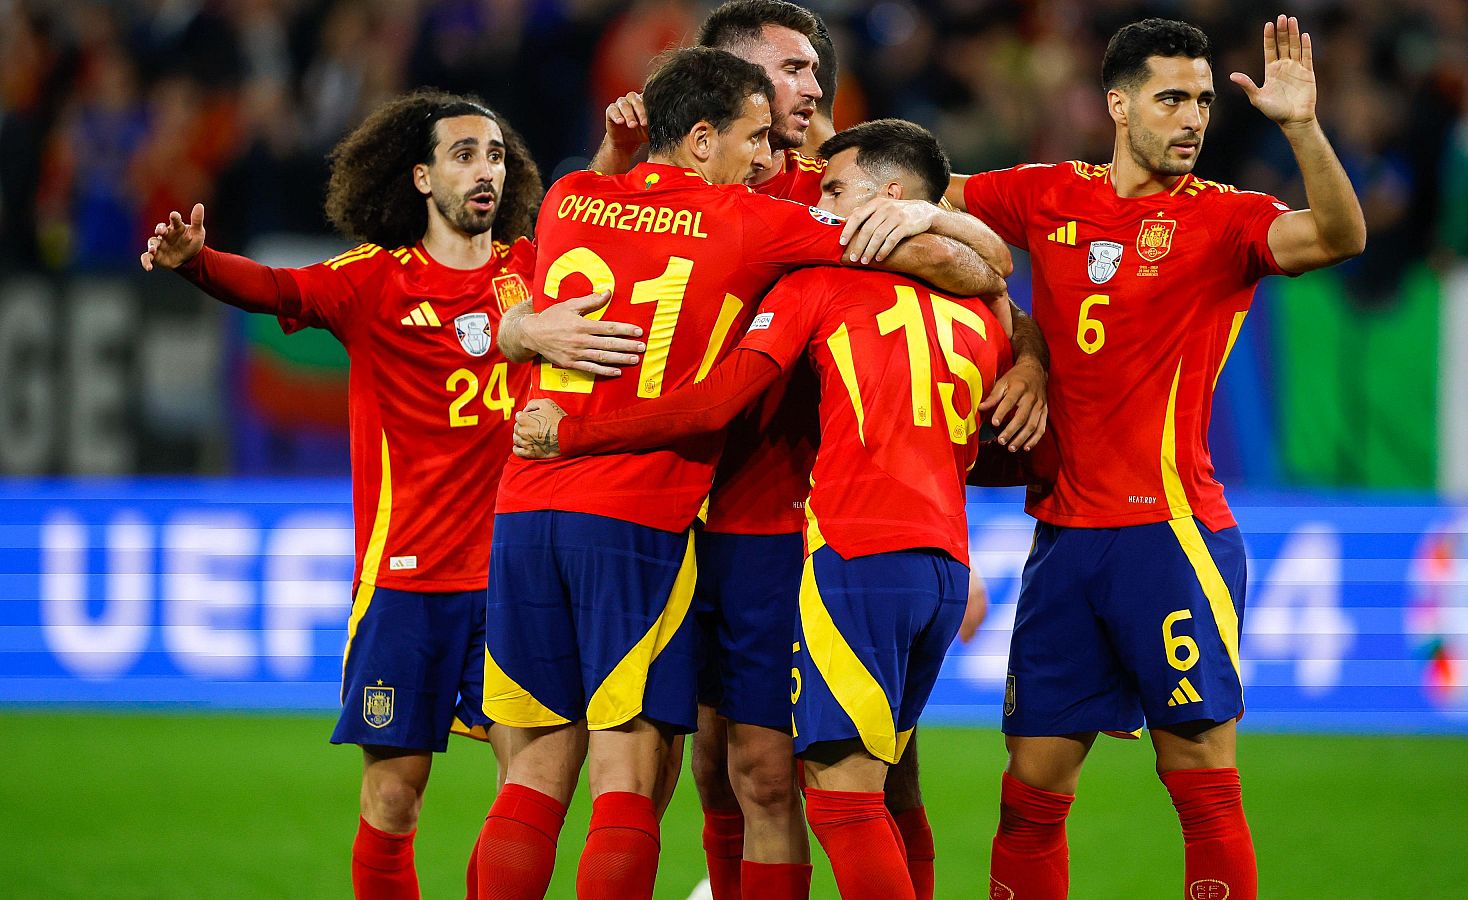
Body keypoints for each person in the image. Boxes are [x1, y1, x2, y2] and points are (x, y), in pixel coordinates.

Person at [473, 49, 1005, 900]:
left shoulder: (571, 195)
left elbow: (520, 291)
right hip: (641, 515)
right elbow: (959, 266)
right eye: (753, 135)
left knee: (533, 772)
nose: (766, 155)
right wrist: (963, 238)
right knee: (630, 778)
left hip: (528, 505)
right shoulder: (752, 220)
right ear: (700, 138)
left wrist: (516, 333)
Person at [138, 90, 641, 900]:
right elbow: (279, 289)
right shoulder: (375, 279)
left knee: (529, 792)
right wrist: (197, 260)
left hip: (513, 580)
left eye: (495, 156)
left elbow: (587, 209)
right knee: (392, 802)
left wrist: (617, 149)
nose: (485, 171)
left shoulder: (528, 270)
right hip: (406, 583)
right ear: (420, 176)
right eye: (464, 155)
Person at [594, 6, 1042, 900]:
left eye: (813, 69)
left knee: (821, 774)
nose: (814, 86)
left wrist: (1026, 355)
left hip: (798, 525)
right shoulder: (665, 182)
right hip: (675, 511)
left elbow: (985, 281)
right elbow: (566, 259)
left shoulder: (827, 185)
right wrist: (524, 324)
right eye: (793, 69)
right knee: (714, 768)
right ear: (730, 81)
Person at [945, 16, 1366, 899]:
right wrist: (1026, 346)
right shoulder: (1048, 194)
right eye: (1172, 98)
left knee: (1202, 786)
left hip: (1169, 539)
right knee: (1029, 794)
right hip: (1063, 539)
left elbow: (1339, 235)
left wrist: (1301, 127)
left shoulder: (1224, 219)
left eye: (1204, 101)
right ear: (1118, 104)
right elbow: (915, 193)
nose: (1193, 118)